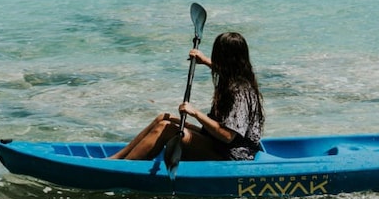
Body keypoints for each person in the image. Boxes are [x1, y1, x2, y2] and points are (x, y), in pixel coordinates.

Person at [109, 31, 265, 161]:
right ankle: (116, 159)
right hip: (218, 145)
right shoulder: (238, 75)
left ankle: (124, 168)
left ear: (225, 59)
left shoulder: (240, 92)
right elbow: (224, 71)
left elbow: (227, 136)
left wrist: (195, 113)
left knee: (166, 129)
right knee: (163, 118)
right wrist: (204, 61)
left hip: (233, 154)